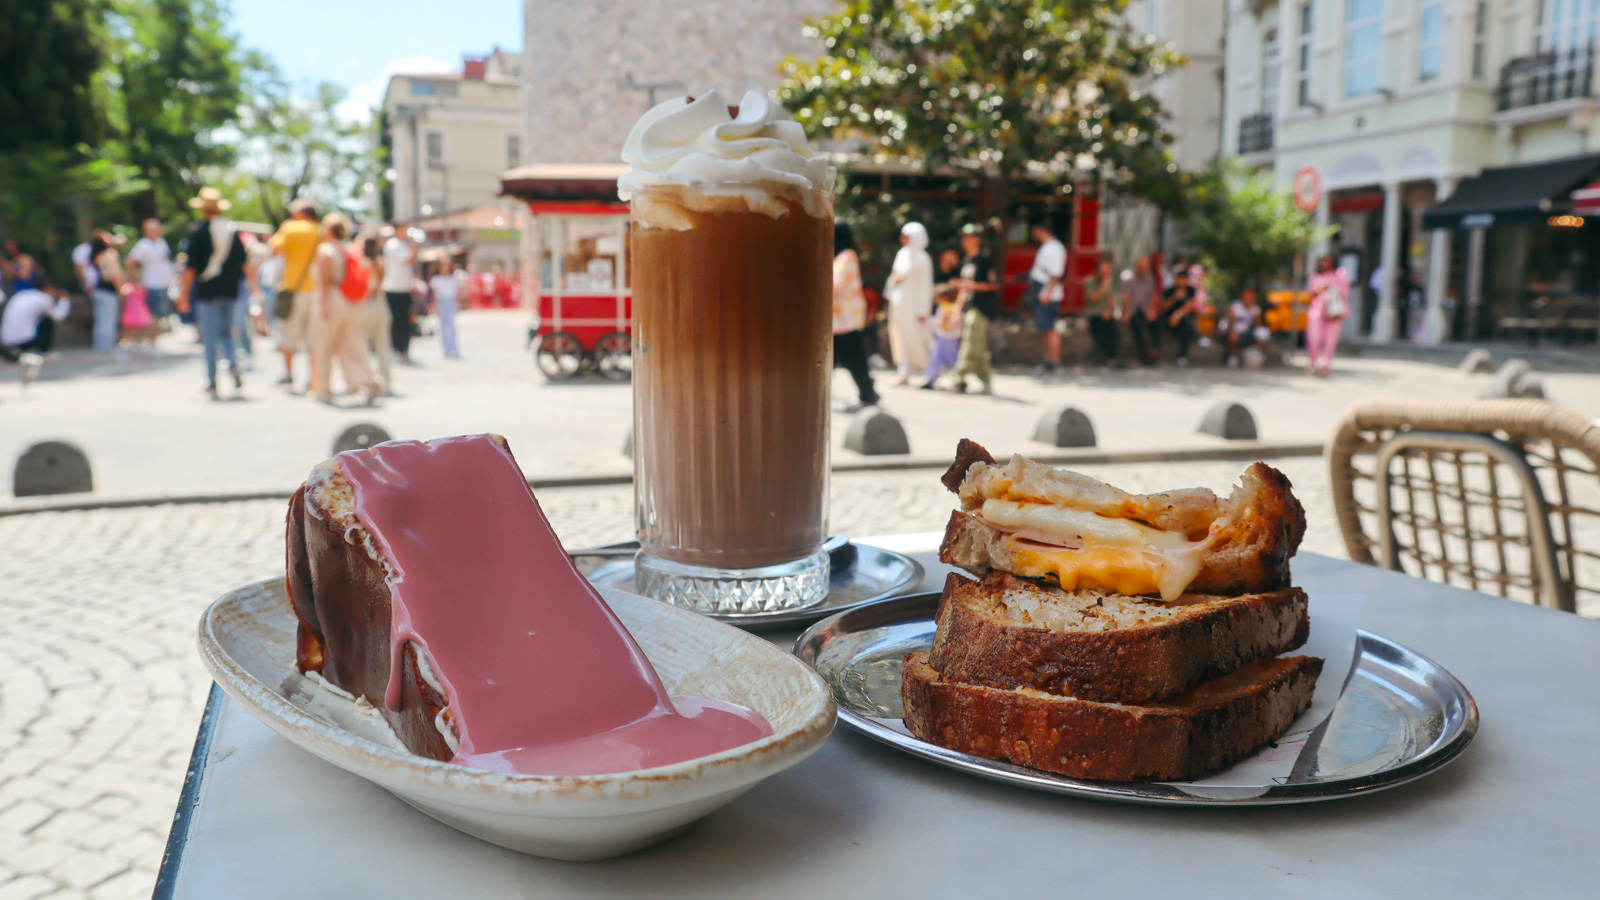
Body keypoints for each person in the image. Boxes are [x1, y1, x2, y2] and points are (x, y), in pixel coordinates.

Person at [177, 187, 251, 399]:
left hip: (207, 291)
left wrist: (183, 296)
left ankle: (211, 381)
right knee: (227, 333)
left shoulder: (198, 233)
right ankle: (233, 365)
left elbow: (190, 269)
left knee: (210, 338)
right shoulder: (232, 231)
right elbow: (243, 264)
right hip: (231, 290)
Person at [307, 213, 383, 405]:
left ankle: (322, 389)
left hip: (333, 300)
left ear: (329, 229)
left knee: (323, 346)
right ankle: (369, 380)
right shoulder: (353, 249)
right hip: (353, 303)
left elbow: (324, 281)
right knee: (355, 345)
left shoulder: (326, 250)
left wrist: (323, 306)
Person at [268, 198, 321, 387]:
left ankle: (288, 374)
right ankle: (313, 378)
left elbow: (275, 250)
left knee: (288, 335)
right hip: (316, 291)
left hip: (292, 288)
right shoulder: (320, 231)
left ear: (301, 214)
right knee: (312, 338)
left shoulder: (290, 228)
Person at [831, 222, 878, 411]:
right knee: (835, 359)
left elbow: (836, 285)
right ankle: (867, 392)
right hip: (840, 319)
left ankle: (867, 394)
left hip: (845, 319)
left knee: (854, 358)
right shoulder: (842, 256)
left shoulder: (846, 256)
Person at [948, 224, 999, 395]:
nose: (965, 241)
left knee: (970, 343)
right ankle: (986, 381)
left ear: (978, 239)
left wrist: (973, 286)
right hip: (969, 307)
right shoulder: (967, 261)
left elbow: (993, 285)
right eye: (964, 237)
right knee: (977, 346)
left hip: (981, 308)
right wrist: (957, 310)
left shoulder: (984, 260)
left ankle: (958, 378)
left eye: (969, 237)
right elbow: (964, 289)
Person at [883, 221, 934, 385]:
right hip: (899, 305)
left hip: (915, 307)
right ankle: (904, 371)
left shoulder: (923, 258)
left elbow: (926, 285)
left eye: (906, 236)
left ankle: (933, 371)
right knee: (900, 337)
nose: (902, 239)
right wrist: (894, 281)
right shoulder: (902, 254)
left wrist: (923, 309)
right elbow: (895, 276)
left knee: (920, 338)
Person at [1024, 221, 1067, 373]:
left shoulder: (1055, 248)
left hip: (1048, 294)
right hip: (1042, 292)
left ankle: (1054, 361)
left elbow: (1056, 273)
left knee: (1049, 328)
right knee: (1044, 328)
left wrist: (1047, 293)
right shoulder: (1048, 246)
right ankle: (1048, 360)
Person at [1306, 254, 1351, 377]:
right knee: (1313, 338)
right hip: (1317, 311)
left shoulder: (1340, 275)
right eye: (1322, 261)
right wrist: (1318, 290)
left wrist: (1331, 287)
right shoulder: (1315, 276)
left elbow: (1345, 292)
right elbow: (1310, 294)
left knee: (1330, 341)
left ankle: (1325, 366)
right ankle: (1314, 361)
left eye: (1327, 261)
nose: (1324, 263)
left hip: (1333, 312)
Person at [360, 233, 394, 391]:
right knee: (383, 346)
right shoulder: (380, 261)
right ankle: (386, 382)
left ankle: (369, 381)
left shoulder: (366, 263)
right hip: (382, 304)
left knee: (363, 346)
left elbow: (369, 286)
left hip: (369, 305)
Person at [0, 285, 69, 361]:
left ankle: (16, 351)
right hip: (23, 340)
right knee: (48, 321)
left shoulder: (22, 294)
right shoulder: (44, 298)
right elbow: (58, 317)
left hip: (7, 340)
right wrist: (64, 300)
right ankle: (44, 352)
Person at [125, 219, 174, 324]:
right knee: (154, 315)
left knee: (161, 315)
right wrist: (137, 278)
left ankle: (154, 338)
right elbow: (130, 262)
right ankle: (152, 339)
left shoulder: (161, 242)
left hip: (165, 283)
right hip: (152, 284)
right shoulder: (143, 245)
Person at [380, 224, 415, 364]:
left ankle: (404, 350)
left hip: (404, 288)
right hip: (393, 288)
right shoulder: (393, 244)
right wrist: (414, 246)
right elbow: (409, 260)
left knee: (406, 322)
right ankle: (396, 349)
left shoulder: (403, 244)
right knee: (396, 322)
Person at [88, 232, 126, 352]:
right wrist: (121, 290)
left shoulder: (97, 257)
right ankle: (107, 348)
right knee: (109, 320)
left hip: (98, 291)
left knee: (101, 320)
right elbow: (115, 274)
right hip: (109, 291)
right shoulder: (110, 254)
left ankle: (99, 346)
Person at [1081, 257, 1121, 367]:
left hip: (1106, 313)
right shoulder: (1089, 281)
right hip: (1094, 313)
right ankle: (1102, 357)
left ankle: (1113, 358)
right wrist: (1103, 285)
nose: (1107, 272)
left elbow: (1112, 298)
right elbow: (1093, 298)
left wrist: (1109, 311)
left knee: (1112, 330)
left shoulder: (1110, 282)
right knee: (1100, 330)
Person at [1122, 254, 1160, 365]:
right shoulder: (1128, 277)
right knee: (1136, 325)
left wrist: (1152, 310)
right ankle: (1143, 352)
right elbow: (1126, 296)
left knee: (1156, 321)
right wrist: (1126, 312)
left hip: (1144, 308)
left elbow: (1151, 296)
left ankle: (1154, 350)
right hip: (1132, 309)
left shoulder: (1149, 278)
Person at [1159, 267, 1200, 366]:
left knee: (1185, 324)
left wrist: (1177, 315)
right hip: (1170, 321)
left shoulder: (1190, 290)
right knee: (1186, 324)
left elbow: (1189, 306)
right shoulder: (1169, 290)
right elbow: (1163, 307)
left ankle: (1182, 356)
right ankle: (1197, 337)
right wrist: (1174, 298)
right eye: (1179, 278)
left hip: (1182, 320)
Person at [1223, 286, 1266, 367]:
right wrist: (1233, 331)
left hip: (1247, 332)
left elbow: (1259, 326)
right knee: (1233, 336)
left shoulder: (1255, 308)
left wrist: (1253, 312)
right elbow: (1231, 323)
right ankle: (1233, 357)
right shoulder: (1234, 307)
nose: (1249, 299)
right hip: (1235, 331)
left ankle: (1255, 354)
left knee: (1263, 332)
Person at [428, 262, 463, 359]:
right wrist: (435, 306)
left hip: (450, 302)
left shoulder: (452, 280)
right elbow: (434, 294)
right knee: (443, 327)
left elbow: (456, 293)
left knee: (451, 327)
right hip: (441, 302)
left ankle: (454, 349)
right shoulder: (436, 280)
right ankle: (446, 350)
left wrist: (457, 304)